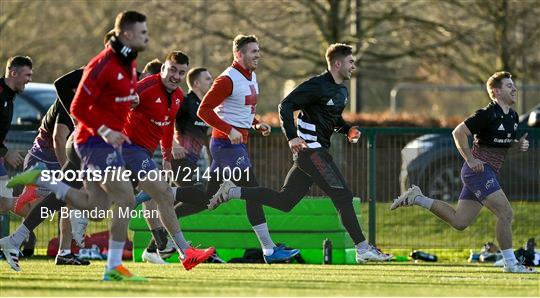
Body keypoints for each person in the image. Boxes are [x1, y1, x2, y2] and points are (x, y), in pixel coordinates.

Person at [207, 43, 392, 263]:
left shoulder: (342, 90)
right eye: (351, 62)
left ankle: (232, 192)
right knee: (342, 196)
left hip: (315, 153)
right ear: (338, 63)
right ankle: (363, 249)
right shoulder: (316, 85)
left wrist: (347, 129)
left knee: (285, 201)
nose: (354, 66)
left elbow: (333, 120)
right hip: (311, 153)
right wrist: (292, 136)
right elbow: (285, 105)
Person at [5, 11, 149, 281]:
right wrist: (105, 129)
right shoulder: (102, 65)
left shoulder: (126, 66)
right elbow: (78, 106)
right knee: (126, 198)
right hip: (91, 142)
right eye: (143, 32)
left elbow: (116, 99)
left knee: (92, 206)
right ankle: (113, 267)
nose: (148, 37)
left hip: (97, 143)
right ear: (125, 35)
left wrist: (130, 99)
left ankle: (19, 234)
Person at [391, 71, 536, 274]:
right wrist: (470, 158)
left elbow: (499, 142)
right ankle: (511, 264)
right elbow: (458, 132)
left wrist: (517, 144)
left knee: (460, 222)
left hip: (487, 173)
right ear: (495, 92)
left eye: (514, 85)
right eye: (509, 86)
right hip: (477, 171)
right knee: (506, 212)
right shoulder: (486, 114)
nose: (514, 89)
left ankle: (418, 198)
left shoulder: (512, 116)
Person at [197, 34, 299, 263]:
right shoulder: (226, 79)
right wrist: (229, 130)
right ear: (238, 54)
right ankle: (269, 249)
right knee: (253, 191)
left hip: (235, 143)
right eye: (253, 51)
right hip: (225, 145)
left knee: (205, 198)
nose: (258, 55)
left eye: (258, 50)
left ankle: (160, 200)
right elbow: (203, 110)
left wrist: (255, 123)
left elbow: (241, 109)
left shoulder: (251, 76)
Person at [123, 50, 216, 270]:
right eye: (172, 69)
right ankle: (182, 250)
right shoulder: (145, 87)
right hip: (128, 149)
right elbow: (117, 106)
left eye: (180, 72)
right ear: (163, 68)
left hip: (143, 153)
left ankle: (167, 246)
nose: (175, 75)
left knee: (154, 197)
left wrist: (166, 156)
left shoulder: (178, 97)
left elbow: (167, 127)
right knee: (162, 193)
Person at [0, 56, 32, 197]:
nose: (29, 80)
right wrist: (5, 152)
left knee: (5, 200)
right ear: (13, 73)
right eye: (27, 75)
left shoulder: (9, 95)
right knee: (5, 197)